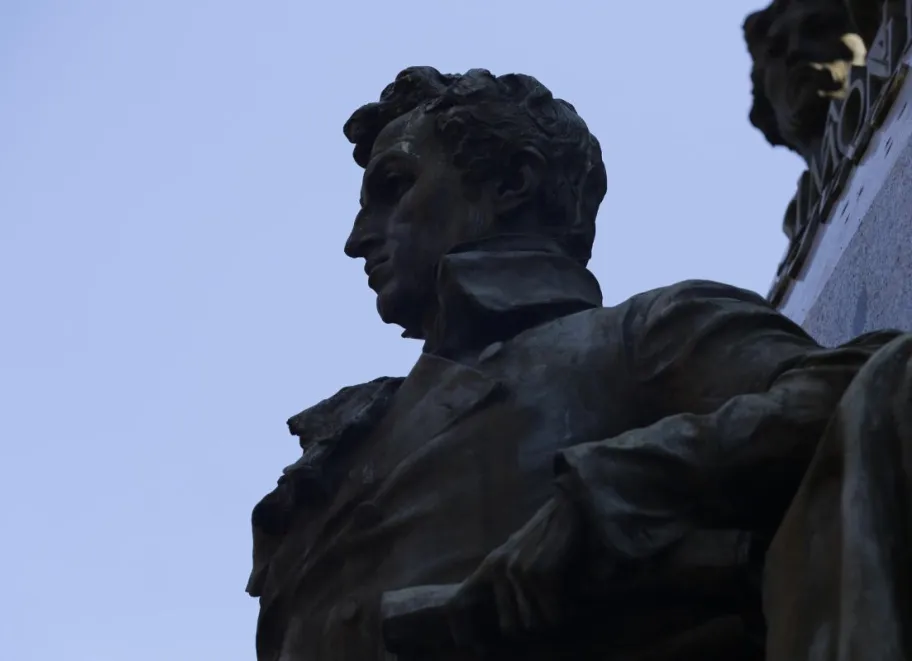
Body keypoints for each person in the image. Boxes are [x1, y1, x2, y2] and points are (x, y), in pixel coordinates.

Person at [247, 66, 911, 661]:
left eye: (393, 186)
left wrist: (610, 488)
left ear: (512, 182)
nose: (357, 236)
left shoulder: (635, 336)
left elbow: (850, 385)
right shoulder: (346, 437)